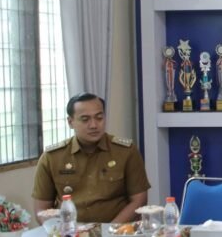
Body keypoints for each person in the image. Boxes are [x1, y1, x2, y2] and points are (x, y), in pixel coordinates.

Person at [32, 93, 149, 223]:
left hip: (117, 230)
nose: (94, 125)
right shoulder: (52, 157)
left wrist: (111, 229)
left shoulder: (126, 152)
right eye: (85, 119)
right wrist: (61, 231)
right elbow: (42, 209)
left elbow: (139, 200)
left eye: (99, 118)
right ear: (70, 122)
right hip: (69, 231)